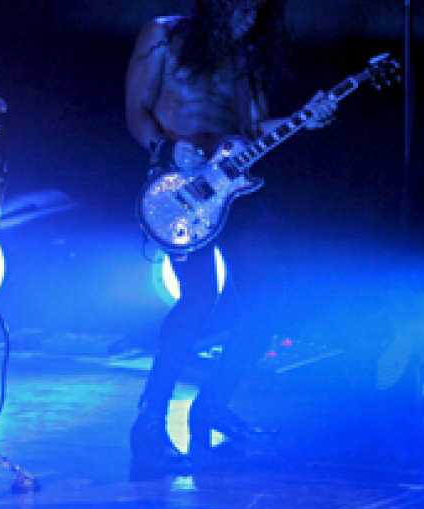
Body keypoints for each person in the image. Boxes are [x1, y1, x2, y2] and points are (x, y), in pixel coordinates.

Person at [124, 0, 336, 475]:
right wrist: (166, 148)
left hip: (233, 192)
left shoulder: (246, 57)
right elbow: (137, 109)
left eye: (257, 10)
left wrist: (306, 116)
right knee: (198, 298)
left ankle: (213, 404)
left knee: (269, 298)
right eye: (239, 6)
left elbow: (254, 128)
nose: (248, 17)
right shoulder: (163, 34)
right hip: (179, 190)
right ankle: (149, 421)